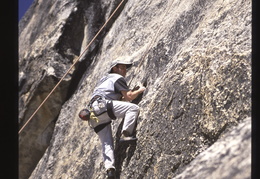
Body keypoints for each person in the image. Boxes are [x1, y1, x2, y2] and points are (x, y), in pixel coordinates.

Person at [88, 59, 146, 178]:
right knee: (133, 109)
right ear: (115, 68)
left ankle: (110, 169)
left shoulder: (103, 81)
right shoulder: (116, 78)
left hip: (93, 114)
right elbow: (129, 97)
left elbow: (119, 100)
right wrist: (140, 90)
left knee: (106, 142)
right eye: (123, 67)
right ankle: (126, 134)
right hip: (103, 106)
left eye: (125, 68)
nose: (125, 71)